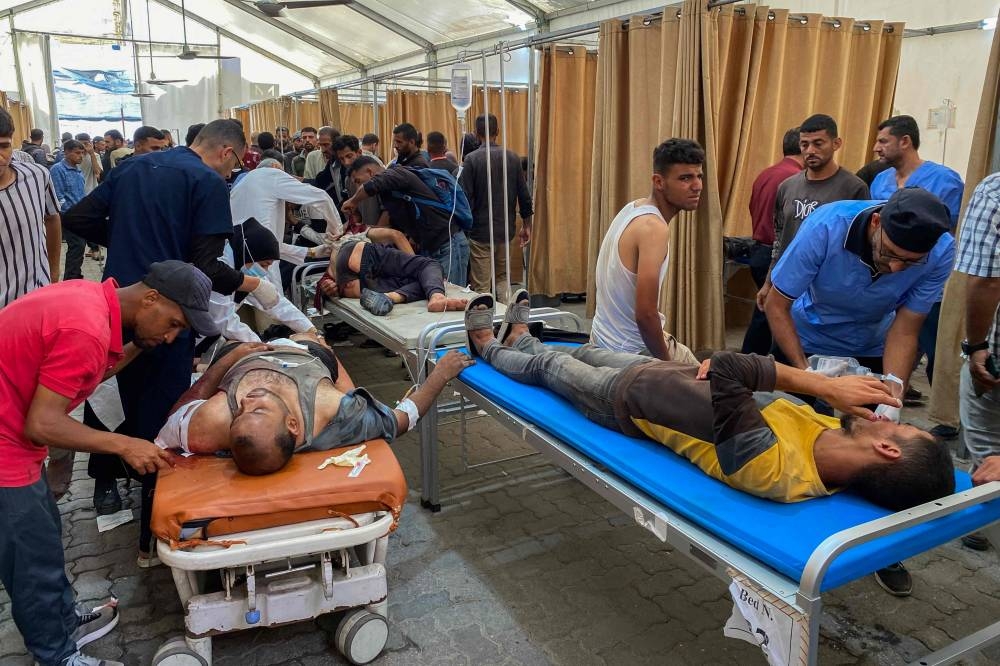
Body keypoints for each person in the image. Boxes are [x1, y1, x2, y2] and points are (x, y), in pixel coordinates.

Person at [465, 291, 953, 509]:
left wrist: (821, 386)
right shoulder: (830, 437)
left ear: (887, 450)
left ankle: (488, 347)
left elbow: (731, 365)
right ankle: (523, 336)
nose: (889, 418)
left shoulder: (775, 469)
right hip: (667, 374)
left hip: (628, 403)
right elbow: (744, 385)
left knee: (551, 368)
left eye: (899, 426)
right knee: (586, 347)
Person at [62, 120, 278, 563]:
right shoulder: (206, 181)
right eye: (235, 164)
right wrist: (251, 286)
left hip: (120, 309)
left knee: (127, 405)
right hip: (166, 315)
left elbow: (77, 218)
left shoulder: (133, 168)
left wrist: (126, 241)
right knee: (165, 425)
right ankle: (155, 539)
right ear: (226, 153)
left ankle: (132, 506)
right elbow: (204, 269)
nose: (231, 173)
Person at [0, 260, 217, 666]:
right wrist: (123, 445)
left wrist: (138, 345)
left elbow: (88, 374)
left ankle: (61, 621)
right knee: (30, 560)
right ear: (151, 297)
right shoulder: (86, 328)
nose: (171, 337)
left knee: (46, 536)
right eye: (173, 323)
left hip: (13, 435)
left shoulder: (92, 301)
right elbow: (43, 422)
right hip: (6, 446)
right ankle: (58, 655)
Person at [764, 187, 954, 597]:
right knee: (797, 437)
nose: (897, 269)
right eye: (891, 255)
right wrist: (811, 378)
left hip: (870, 342)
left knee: (878, 458)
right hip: (805, 337)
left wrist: (894, 387)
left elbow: (907, 326)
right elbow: (776, 305)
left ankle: (881, 550)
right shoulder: (827, 226)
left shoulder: (940, 251)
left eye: (911, 263)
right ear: (875, 223)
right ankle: (789, 538)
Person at [154, 338, 473, 476]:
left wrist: (226, 362)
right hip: (307, 353)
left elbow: (172, 420)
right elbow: (402, 419)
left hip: (241, 352)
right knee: (317, 343)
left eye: (245, 410)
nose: (247, 401)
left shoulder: (214, 421)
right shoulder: (332, 410)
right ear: (293, 424)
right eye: (258, 410)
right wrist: (441, 374)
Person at [870, 115, 965, 398]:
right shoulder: (880, 181)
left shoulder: (943, 180)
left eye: (883, 141)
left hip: (927, 279)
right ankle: (890, 395)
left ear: (905, 141)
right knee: (889, 341)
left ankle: (945, 415)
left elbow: (944, 235)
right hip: (887, 277)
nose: (876, 148)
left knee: (936, 347)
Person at [590, 138, 703, 363]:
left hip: (602, 338)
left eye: (699, 176)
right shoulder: (654, 229)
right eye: (685, 178)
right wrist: (667, 365)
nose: (697, 186)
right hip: (630, 352)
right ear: (658, 181)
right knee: (718, 391)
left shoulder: (633, 208)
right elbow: (645, 314)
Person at [757, 114, 870, 309]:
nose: (810, 151)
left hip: (829, 288)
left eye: (818, 144)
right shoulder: (787, 186)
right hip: (787, 284)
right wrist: (769, 282)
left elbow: (861, 245)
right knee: (781, 337)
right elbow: (779, 239)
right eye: (804, 145)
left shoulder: (854, 188)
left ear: (836, 144)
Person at [953, 172, 1000, 551]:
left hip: (996, 356)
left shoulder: (995, 189)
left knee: (986, 444)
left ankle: (980, 518)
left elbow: (986, 280)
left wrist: (977, 346)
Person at [343, 155, 470, 286]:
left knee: (450, 295)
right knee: (437, 292)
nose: (358, 186)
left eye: (358, 181)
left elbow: (373, 184)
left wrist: (353, 201)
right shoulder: (388, 194)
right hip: (431, 247)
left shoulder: (396, 173)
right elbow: (389, 229)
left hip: (449, 245)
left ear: (370, 172)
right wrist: (358, 229)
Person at [230, 156, 342, 292]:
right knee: (274, 306)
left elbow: (268, 245)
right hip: (262, 267)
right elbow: (321, 198)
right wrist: (336, 231)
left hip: (238, 267)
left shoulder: (240, 186)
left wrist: (311, 252)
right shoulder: (271, 174)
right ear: (276, 168)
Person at [741, 127, 803, 355]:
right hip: (776, 255)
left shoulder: (766, 174)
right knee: (777, 315)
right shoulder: (795, 181)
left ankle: (749, 363)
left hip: (758, 249)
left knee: (764, 314)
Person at [459, 114, 533, 301]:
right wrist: (526, 225)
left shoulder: (471, 160)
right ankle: (506, 325)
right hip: (505, 231)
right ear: (497, 131)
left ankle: (483, 326)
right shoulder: (513, 158)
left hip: (480, 231)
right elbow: (524, 197)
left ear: (476, 134)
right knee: (503, 279)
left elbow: (463, 198)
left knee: (481, 285)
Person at [207, 218, 316, 342]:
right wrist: (264, 346)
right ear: (248, 253)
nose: (264, 271)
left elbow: (276, 302)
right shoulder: (218, 268)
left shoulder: (246, 265)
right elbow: (224, 321)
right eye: (264, 265)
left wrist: (309, 329)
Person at [0, 108, 61, 307]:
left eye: (3, 146)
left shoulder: (37, 176)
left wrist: (53, 273)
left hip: (36, 298)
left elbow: (52, 218)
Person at [319, 239, 468, 315]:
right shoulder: (374, 229)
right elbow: (397, 236)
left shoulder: (349, 229)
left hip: (351, 286)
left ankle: (390, 297)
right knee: (430, 266)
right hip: (358, 254)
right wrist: (416, 263)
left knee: (424, 279)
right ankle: (436, 296)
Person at [49, 139, 88, 280]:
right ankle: (71, 278)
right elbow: (58, 196)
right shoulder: (58, 169)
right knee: (77, 245)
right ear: (66, 152)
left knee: (79, 246)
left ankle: (75, 274)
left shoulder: (78, 171)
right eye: (77, 153)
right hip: (68, 215)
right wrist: (70, 212)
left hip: (79, 214)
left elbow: (80, 193)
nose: (81, 156)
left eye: (82, 153)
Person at [333, 134, 382, 227]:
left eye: (349, 156)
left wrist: (377, 233)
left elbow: (387, 212)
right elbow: (357, 212)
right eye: (342, 159)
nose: (346, 162)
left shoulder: (377, 174)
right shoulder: (348, 180)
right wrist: (346, 227)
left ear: (359, 152)